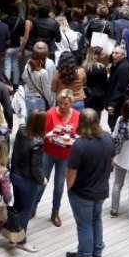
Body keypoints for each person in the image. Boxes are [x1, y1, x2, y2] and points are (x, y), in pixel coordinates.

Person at [65, 109, 114, 257]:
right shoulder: (107, 137)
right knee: (96, 219)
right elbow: (112, 160)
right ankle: (97, 250)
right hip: (101, 189)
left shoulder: (79, 145)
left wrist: (69, 188)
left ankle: (85, 254)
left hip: (82, 192)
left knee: (84, 224)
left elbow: (71, 173)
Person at [42, 89, 81, 227]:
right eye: (60, 103)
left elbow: (80, 134)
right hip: (49, 151)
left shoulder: (77, 115)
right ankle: (33, 206)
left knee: (59, 185)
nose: (63, 107)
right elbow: (44, 134)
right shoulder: (50, 114)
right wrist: (53, 137)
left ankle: (55, 212)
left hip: (65, 156)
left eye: (66, 104)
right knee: (41, 181)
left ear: (71, 103)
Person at [9, 112, 46, 252]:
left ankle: (13, 233)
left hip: (15, 174)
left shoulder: (21, 130)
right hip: (27, 180)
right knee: (26, 210)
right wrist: (42, 180)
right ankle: (21, 240)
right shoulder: (37, 143)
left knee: (17, 207)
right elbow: (35, 168)